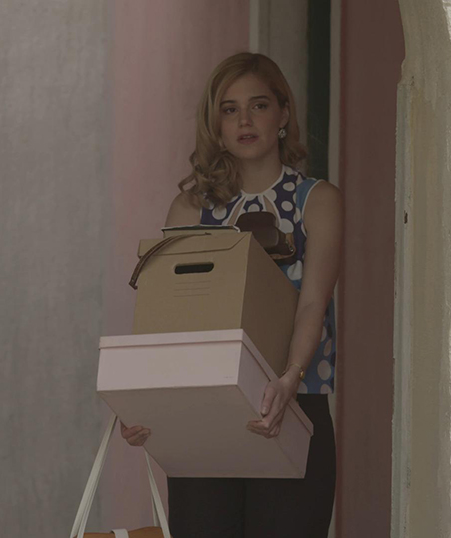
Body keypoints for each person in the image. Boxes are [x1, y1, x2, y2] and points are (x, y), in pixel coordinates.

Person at [120, 52, 343, 538]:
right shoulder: (189, 209)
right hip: (205, 413)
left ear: (283, 114)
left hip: (294, 403)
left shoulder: (316, 200)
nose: (244, 120)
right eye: (229, 109)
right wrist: (144, 404)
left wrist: (288, 379)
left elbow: (313, 303)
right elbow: (169, 318)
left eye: (258, 105)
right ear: (216, 125)